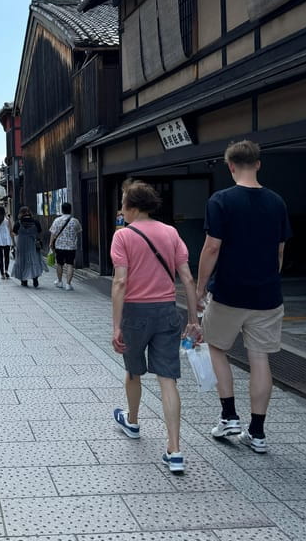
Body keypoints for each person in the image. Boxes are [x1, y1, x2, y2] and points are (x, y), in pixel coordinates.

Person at [196, 140, 292, 455]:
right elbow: (280, 251)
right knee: (260, 358)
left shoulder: (221, 200)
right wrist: (269, 278)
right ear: (258, 164)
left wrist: (199, 288)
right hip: (267, 295)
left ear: (231, 166)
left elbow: (212, 247)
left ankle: (229, 416)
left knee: (216, 347)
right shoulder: (277, 202)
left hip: (228, 292)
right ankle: (258, 433)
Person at [110, 179, 200, 474]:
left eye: (123, 202)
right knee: (167, 379)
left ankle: (133, 421)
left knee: (133, 370)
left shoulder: (123, 236)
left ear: (132, 206)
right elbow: (187, 277)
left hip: (135, 313)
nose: (121, 208)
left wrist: (116, 325)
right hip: (166, 311)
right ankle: (175, 450)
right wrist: (193, 320)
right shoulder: (170, 233)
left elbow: (120, 282)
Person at [49, 202, 82, 291]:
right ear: (70, 210)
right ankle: (68, 284)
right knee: (70, 264)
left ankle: (60, 282)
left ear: (62, 210)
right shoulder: (75, 221)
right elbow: (79, 230)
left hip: (59, 246)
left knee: (59, 264)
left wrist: (51, 243)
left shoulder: (57, 220)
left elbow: (53, 233)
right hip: (71, 246)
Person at [11, 206, 44, 288]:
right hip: (33, 244)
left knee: (22, 261)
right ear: (29, 212)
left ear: (21, 213)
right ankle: (35, 278)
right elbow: (40, 231)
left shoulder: (18, 223)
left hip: (21, 245)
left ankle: (24, 280)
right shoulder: (35, 222)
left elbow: (14, 233)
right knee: (34, 260)